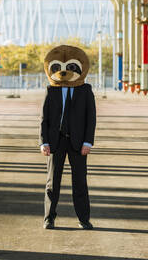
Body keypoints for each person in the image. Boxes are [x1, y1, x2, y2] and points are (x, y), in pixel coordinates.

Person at [39, 45, 96, 230]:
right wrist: (44, 142)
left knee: (80, 182)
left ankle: (84, 219)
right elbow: (44, 119)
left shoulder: (85, 91)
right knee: (52, 183)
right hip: (56, 142)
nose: (63, 72)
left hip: (79, 143)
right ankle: (49, 218)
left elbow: (91, 119)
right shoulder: (51, 90)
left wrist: (88, 142)